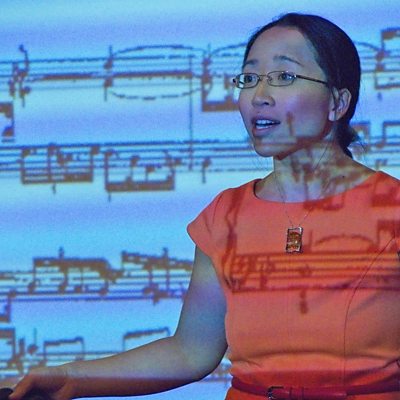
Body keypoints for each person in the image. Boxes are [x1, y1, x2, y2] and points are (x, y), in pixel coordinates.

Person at [11, 12, 400, 400]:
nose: (259, 95)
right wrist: (72, 378)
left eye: (284, 76)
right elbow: (190, 351)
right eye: (249, 78)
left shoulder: (391, 208)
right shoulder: (226, 215)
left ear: (337, 102)